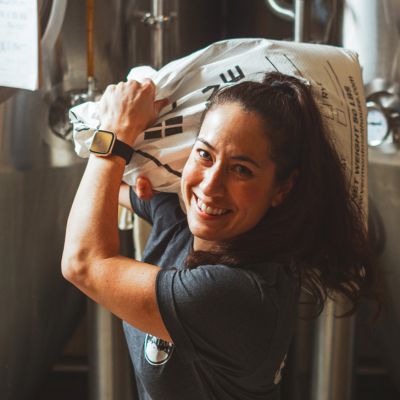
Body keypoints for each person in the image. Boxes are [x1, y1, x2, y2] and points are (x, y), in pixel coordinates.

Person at [62, 71, 378, 400]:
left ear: (281, 188)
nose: (210, 186)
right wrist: (144, 174)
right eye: (204, 154)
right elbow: (108, 192)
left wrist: (114, 134)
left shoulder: (236, 294)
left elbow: (82, 263)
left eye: (241, 169)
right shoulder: (186, 223)